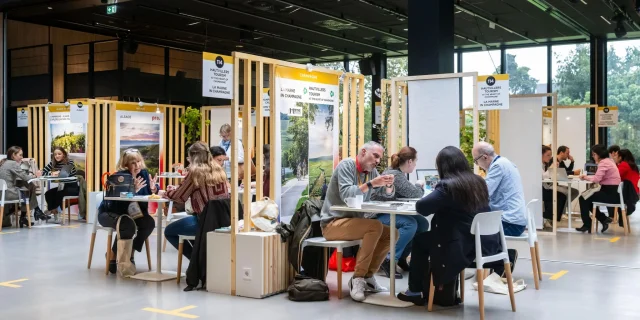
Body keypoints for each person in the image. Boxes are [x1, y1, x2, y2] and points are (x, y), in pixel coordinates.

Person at [397, 146, 502, 305]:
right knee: (429, 238)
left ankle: (415, 290)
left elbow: (422, 208)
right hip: (485, 245)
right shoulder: (478, 181)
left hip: (460, 245)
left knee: (420, 241)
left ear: (442, 166)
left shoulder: (448, 185)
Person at [320, 141, 396, 302]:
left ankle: (368, 276)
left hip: (354, 223)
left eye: (379, 158)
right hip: (333, 223)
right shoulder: (346, 166)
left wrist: (389, 185)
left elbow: (384, 195)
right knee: (374, 227)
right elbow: (348, 194)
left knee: (392, 233)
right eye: (375, 156)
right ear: (363, 152)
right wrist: (371, 184)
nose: (377, 161)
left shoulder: (371, 172)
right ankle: (358, 278)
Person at [162, 142, 230, 258]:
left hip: (204, 222)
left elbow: (179, 197)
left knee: (169, 231)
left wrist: (165, 193)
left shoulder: (195, 172)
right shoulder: (219, 170)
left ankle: (195, 261)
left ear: (192, 157)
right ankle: (200, 259)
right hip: (223, 220)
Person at [371, 146, 429, 278]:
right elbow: (415, 193)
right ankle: (388, 259)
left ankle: (401, 257)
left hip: (386, 211)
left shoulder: (397, 173)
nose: (415, 165)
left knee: (422, 224)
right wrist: (420, 184)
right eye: (415, 161)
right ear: (409, 161)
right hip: (376, 214)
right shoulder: (395, 175)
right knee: (410, 224)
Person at [99, 148, 157, 274]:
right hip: (110, 213)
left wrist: (154, 189)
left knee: (149, 223)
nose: (138, 165)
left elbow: (149, 192)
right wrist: (132, 190)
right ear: (125, 165)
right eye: (133, 163)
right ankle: (113, 255)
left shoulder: (144, 174)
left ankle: (130, 253)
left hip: (132, 213)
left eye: (139, 161)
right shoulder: (119, 177)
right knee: (127, 224)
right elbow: (117, 202)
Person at [472, 142, 527, 236]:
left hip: (510, 223)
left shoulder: (498, 166)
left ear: (485, 157)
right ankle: (497, 250)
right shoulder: (504, 162)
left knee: (471, 226)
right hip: (516, 221)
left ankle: (493, 251)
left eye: (476, 161)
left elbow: (484, 193)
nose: (477, 164)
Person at [576, 144, 621, 233]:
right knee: (587, 198)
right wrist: (588, 177)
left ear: (599, 154)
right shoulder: (609, 161)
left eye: (594, 154)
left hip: (609, 193)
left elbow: (596, 179)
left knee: (583, 198)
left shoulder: (604, 163)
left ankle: (588, 225)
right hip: (613, 192)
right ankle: (603, 219)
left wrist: (585, 177)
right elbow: (599, 177)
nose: (593, 157)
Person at [0, 146, 43, 227]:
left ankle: (26, 215)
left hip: (1, 194)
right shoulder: (13, 163)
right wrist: (36, 175)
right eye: (20, 155)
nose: (22, 157)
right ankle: (35, 211)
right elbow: (25, 177)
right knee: (29, 188)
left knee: (25, 185)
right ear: (13, 155)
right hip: (9, 194)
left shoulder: (3, 163)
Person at [542, 145, 577, 229]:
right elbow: (545, 176)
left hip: (550, 184)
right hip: (546, 186)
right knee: (564, 193)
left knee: (569, 192)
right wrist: (552, 168)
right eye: (567, 153)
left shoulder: (550, 163)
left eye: (550, 155)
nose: (550, 157)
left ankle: (557, 214)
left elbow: (565, 171)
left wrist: (572, 162)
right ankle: (552, 216)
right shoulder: (551, 162)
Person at [41, 147, 79, 223]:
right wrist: (51, 173)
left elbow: (65, 174)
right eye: (55, 154)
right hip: (62, 187)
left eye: (59, 154)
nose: (57, 156)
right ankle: (54, 211)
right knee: (48, 193)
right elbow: (43, 172)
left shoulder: (69, 162)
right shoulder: (53, 163)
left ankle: (51, 210)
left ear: (64, 155)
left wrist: (58, 173)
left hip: (72, 187)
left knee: (59, 193)